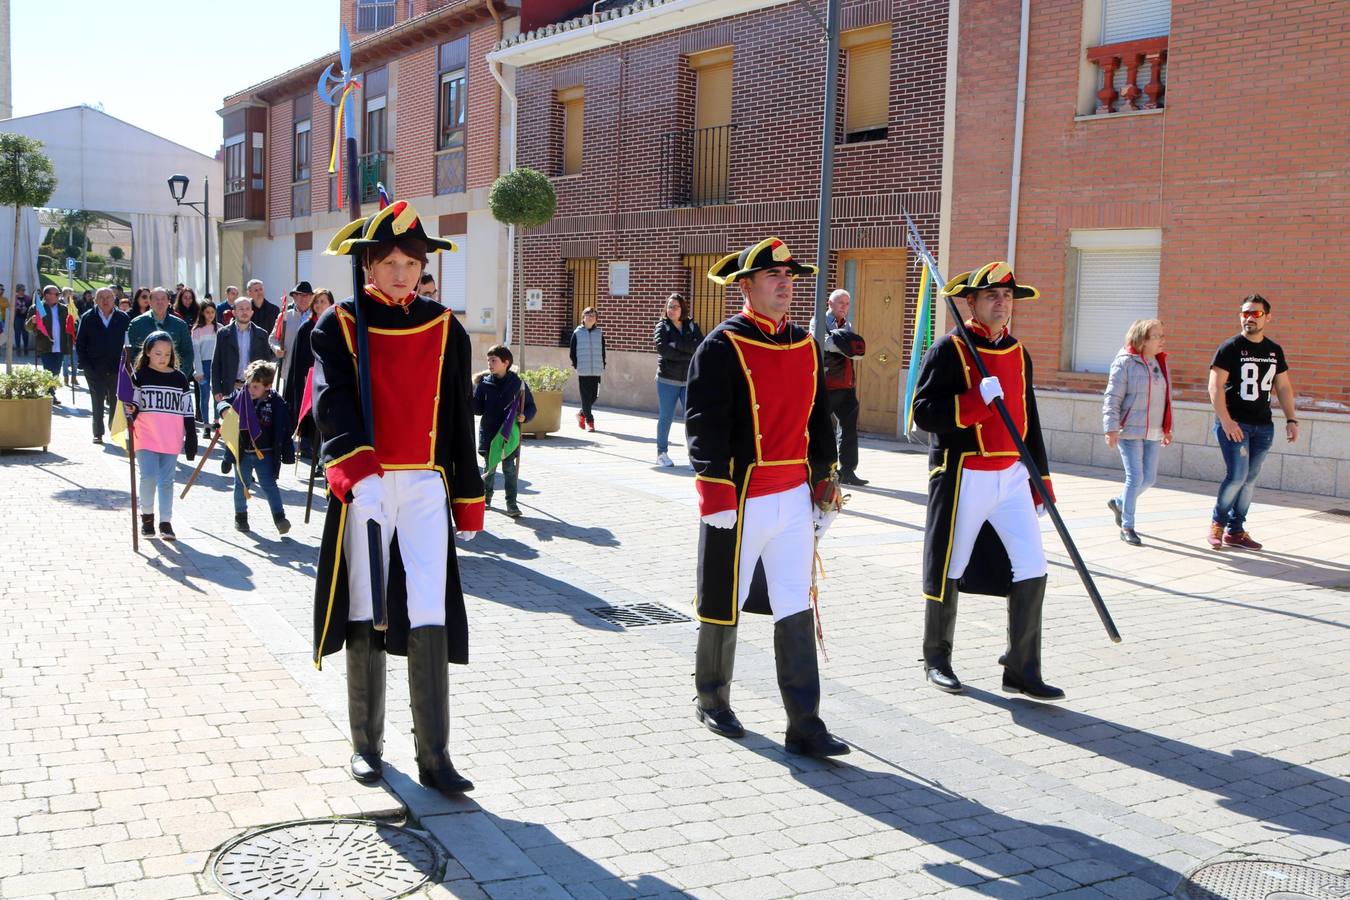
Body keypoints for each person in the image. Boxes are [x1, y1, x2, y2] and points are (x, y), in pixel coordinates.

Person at [310, 198, 485, 796]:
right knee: (366, 603)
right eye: (389, 261)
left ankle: (434, 755)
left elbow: (459, 415)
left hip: (426, 486)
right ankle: (366, 744)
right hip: (368, 483)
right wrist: (357, 470)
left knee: (429, 606)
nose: (403, 272)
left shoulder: (445, 327)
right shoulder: (337, 325)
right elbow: (331, 400)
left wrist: (467, 492)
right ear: (367, 267)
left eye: (411, 261)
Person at [686, 237, 849, 759]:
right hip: (742, 498)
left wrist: (826, 482)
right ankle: (712, 697)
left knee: (795, 603)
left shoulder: (805, 345)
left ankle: (804, 722)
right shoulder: (721, 345)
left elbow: (821, 421)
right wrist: (715, 490)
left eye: (790, 277)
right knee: (723, 600)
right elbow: (703, 425)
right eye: (774, 277)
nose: (785, 284)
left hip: (794, 499)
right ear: (747, 285)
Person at [912, 261, 1063, 701]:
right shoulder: (950, 349)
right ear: (972, 302)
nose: (1002, 302)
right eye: (992, 295)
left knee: (1033, 566)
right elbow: (924, 413)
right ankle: (936, 657)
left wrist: (1041, 478)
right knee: (950, 567)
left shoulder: (1018, 352)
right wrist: (974, 401)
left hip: (1013, 476)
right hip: (966, 475)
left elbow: (1029, 421)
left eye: (1008, 296)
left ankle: (1021, 666)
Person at [1206, 294, 1298, 551]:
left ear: (1267, 317)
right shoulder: (1229, 347)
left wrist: (1291, 419)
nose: (1249, 318)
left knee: (1250, 479)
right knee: (1236, 476)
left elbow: (1283, 387)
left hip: (1263, 427)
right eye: (1245, 313)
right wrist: (1226, 421)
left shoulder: (1274, 350)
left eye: (1255, 314)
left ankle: (1236, 531)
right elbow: (1215, 387)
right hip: (1235, 424)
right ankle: (1217, 524)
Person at [1102, 319, 1173, 546]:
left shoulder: (1160, 361)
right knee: (1135, 478)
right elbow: (1112, 398)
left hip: (1153, 430)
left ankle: (1120, 502)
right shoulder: (1124, 363)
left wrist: (1167, 428)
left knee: (1149, 479)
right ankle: (1127, 526)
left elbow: (1166, 398)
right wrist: (1111, 428)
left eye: (1162, 335)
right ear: (1142, 339)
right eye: (1157, 336)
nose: (1163, 340)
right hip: (1129, 429)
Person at [125, 331, 197, 541]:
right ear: (147, 352)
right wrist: (130, 410)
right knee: (148, 477)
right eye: (157, 353)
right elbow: (134, 405)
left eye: (167, 353)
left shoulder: (179, 378)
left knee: (167, 481)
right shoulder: (140, 376)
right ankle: (147, 517)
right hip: (145, 435)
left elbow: (187, 410)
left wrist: (191, 436)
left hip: (171, 437)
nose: (163, 357)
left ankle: (166, 522)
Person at [221, 360, 294, 535]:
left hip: (266, 454)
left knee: (269, 485)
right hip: (243, 453)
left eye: (256, 387)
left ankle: (279, 518)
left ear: (267, 386)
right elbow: (224, 402)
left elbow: (285, 429)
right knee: (241, 485)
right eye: (249, 385)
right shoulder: (242, 397)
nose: (250, 390)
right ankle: (240, 517)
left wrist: (288, 453)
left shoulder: (277, 403)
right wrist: (224, 409)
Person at [809, 289, 868, 486]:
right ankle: (823, 469)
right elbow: (823, 344)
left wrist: (847, 345)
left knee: (849, 429)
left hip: (847, 384)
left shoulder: (846, 324)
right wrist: (848, 345)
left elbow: (856, 350)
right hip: (828, 386)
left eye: (847, 303)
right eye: (840, 302)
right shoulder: (819, 320)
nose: (844, 306)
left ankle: (848, 471)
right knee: (822, 429)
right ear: (830, 303)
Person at [472, 344, 536, 517]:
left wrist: (525, 416)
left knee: (509, 470)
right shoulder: (484, 384)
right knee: (489, 468)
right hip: (490, 432)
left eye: (494, 360)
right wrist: (468, 397)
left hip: (509, 434)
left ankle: (511, 504)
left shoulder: (518, 384)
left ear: (505, 362)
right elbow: (477, 409)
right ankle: (486, 499)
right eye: (488, 361)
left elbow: (531, 407)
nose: (490, 364)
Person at [652, 293, 703, 468]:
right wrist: (686, 352)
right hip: (667, 380)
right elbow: (663, 350)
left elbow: (700, 346)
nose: (672, 310)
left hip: (689, 380)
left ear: (682, 308)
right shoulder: (662, 327)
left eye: (675, 306)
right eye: (669, 306)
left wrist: (677, 345)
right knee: (666, 417)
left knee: (692, 418)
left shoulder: (691, 325)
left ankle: (693, 455)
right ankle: (661, 453)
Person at [75, 287, 131, 444]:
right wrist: (84, 363)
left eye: (108, 297)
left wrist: (127, 363)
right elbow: (80, 343)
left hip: (116, 367)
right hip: (94, 367)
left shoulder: (123, 318)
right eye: (101, 297)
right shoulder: (88, 317)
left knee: (115, 398)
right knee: (97, 398)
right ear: (95, 300)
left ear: (114, 299)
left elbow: (129, 342)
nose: (105, 300)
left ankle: (114, 428)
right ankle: (98, 432)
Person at [289, 288, 332, 459]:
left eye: (323, 301)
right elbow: (299, 359)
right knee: (311, 415)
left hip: (330, 377)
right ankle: (309, 448)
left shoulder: (336, 324)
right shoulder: (306, 327)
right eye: (317, 301)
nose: (320, 305)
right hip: (310, 377)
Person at [127, 286, 194, 383]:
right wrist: (139, 376)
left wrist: (180, 376)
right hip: (145, 380)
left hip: (172, 379)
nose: (160, 302)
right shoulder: (137, 323)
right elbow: (130, 354)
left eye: (163, 299)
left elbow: (188, 353)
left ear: (169, 301)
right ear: (149, 302)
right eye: (156, 299)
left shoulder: (180, 325)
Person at [212, 297, 272, 403]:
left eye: (247, 309)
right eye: (241, 309)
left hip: (255, 389)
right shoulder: (223, 334)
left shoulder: (262, 334)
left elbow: (267, 364)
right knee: (232, 420)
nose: (245, 312)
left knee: (253, 420)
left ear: (252, 312)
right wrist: (216, 389)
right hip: (230, 388)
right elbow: (216, 363)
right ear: (234, 312)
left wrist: (267, 388)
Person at [270, 281, 315, 407]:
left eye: (306, 295)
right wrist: (277, 349)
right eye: (300, 295)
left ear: (311, 297)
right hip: (289, 369)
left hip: (310, 370)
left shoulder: (316, 317)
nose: (303, 299)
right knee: (289, 405)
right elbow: (273, 338)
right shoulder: (284, 317)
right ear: (294, 297)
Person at [26, 286, 72, 399]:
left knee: (56, 370)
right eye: (56, 294)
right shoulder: (38, 308)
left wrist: (73, 325)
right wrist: (32, 322)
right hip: (45, 344)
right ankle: (50, 393)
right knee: (48, 370)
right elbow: (28, 327)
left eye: (58, 294)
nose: (58, 296)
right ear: (47, 295)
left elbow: (71, 325)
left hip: (60, 345)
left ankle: (50, 390)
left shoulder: (64, 309)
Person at [569, 306, 605, 431]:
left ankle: (581, 414)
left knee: (594, 396)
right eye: (588, 315)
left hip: (596, 369)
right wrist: (576, 365)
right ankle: (590, 421)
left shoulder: (599, 333)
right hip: (583, 370)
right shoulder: (577, 333)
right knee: (585, 397)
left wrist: (603, 364)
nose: (590, 317)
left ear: (596, 319)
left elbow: (603, 351)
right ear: (583, 318)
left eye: (593, 316)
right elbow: (572, 352)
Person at [191, 304, 221, 433]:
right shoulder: (197, 330)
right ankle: (206, 424)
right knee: (204, 396)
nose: (210, 315)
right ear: (202, 313)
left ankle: (216, 421)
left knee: (217, 394)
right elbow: (196, 352)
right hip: (203, 364)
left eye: (212, 312)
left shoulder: (219, 328)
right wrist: (198, 370)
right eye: (207, 312)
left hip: (217, 364)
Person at [13, 284, 31, 356]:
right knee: (17, 334)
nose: (23, 291)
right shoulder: (14, 298)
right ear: (18, 290)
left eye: (24, 290)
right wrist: (16, 308)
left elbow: (30, 307)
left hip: (25, 318)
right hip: (17, 318)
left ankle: (25, 349)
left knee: (25, 334)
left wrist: (26, 309)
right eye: (22, 290)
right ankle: (18, 349)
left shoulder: (28, 298)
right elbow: (11, 308)